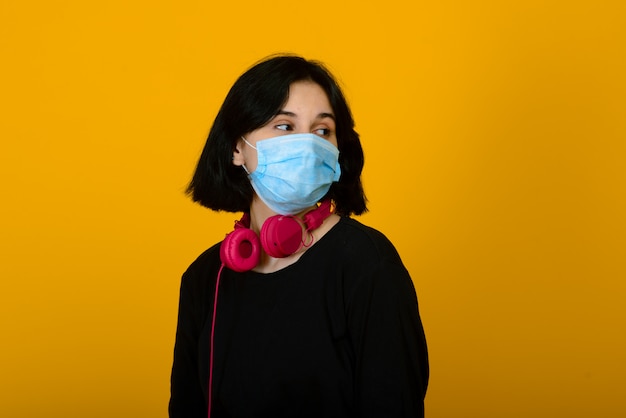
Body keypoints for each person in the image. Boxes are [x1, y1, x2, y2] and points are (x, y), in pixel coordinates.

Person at [169, 54, 429, 418]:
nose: (308, 145)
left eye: (322, 131)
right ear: (236, 148)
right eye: (284, 126)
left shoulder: (368, 265)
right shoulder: (204, 278)